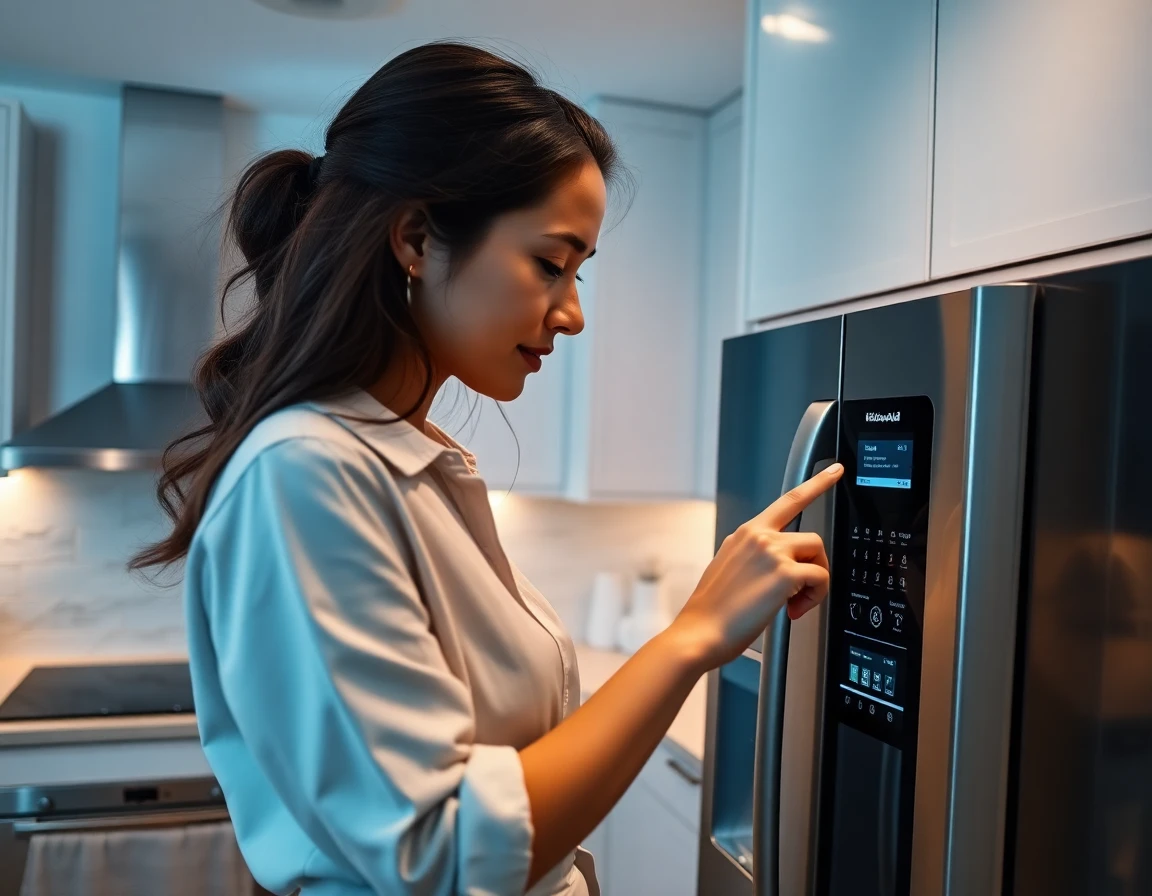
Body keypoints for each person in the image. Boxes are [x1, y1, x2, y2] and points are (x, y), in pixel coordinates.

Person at [132, 41, 843, 896]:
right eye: (550, 263)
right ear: (416, 238)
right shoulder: (306, 472)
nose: (572, 313)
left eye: (578, 272)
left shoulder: (408, 465)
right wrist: (691, 638)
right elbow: (441, 849)